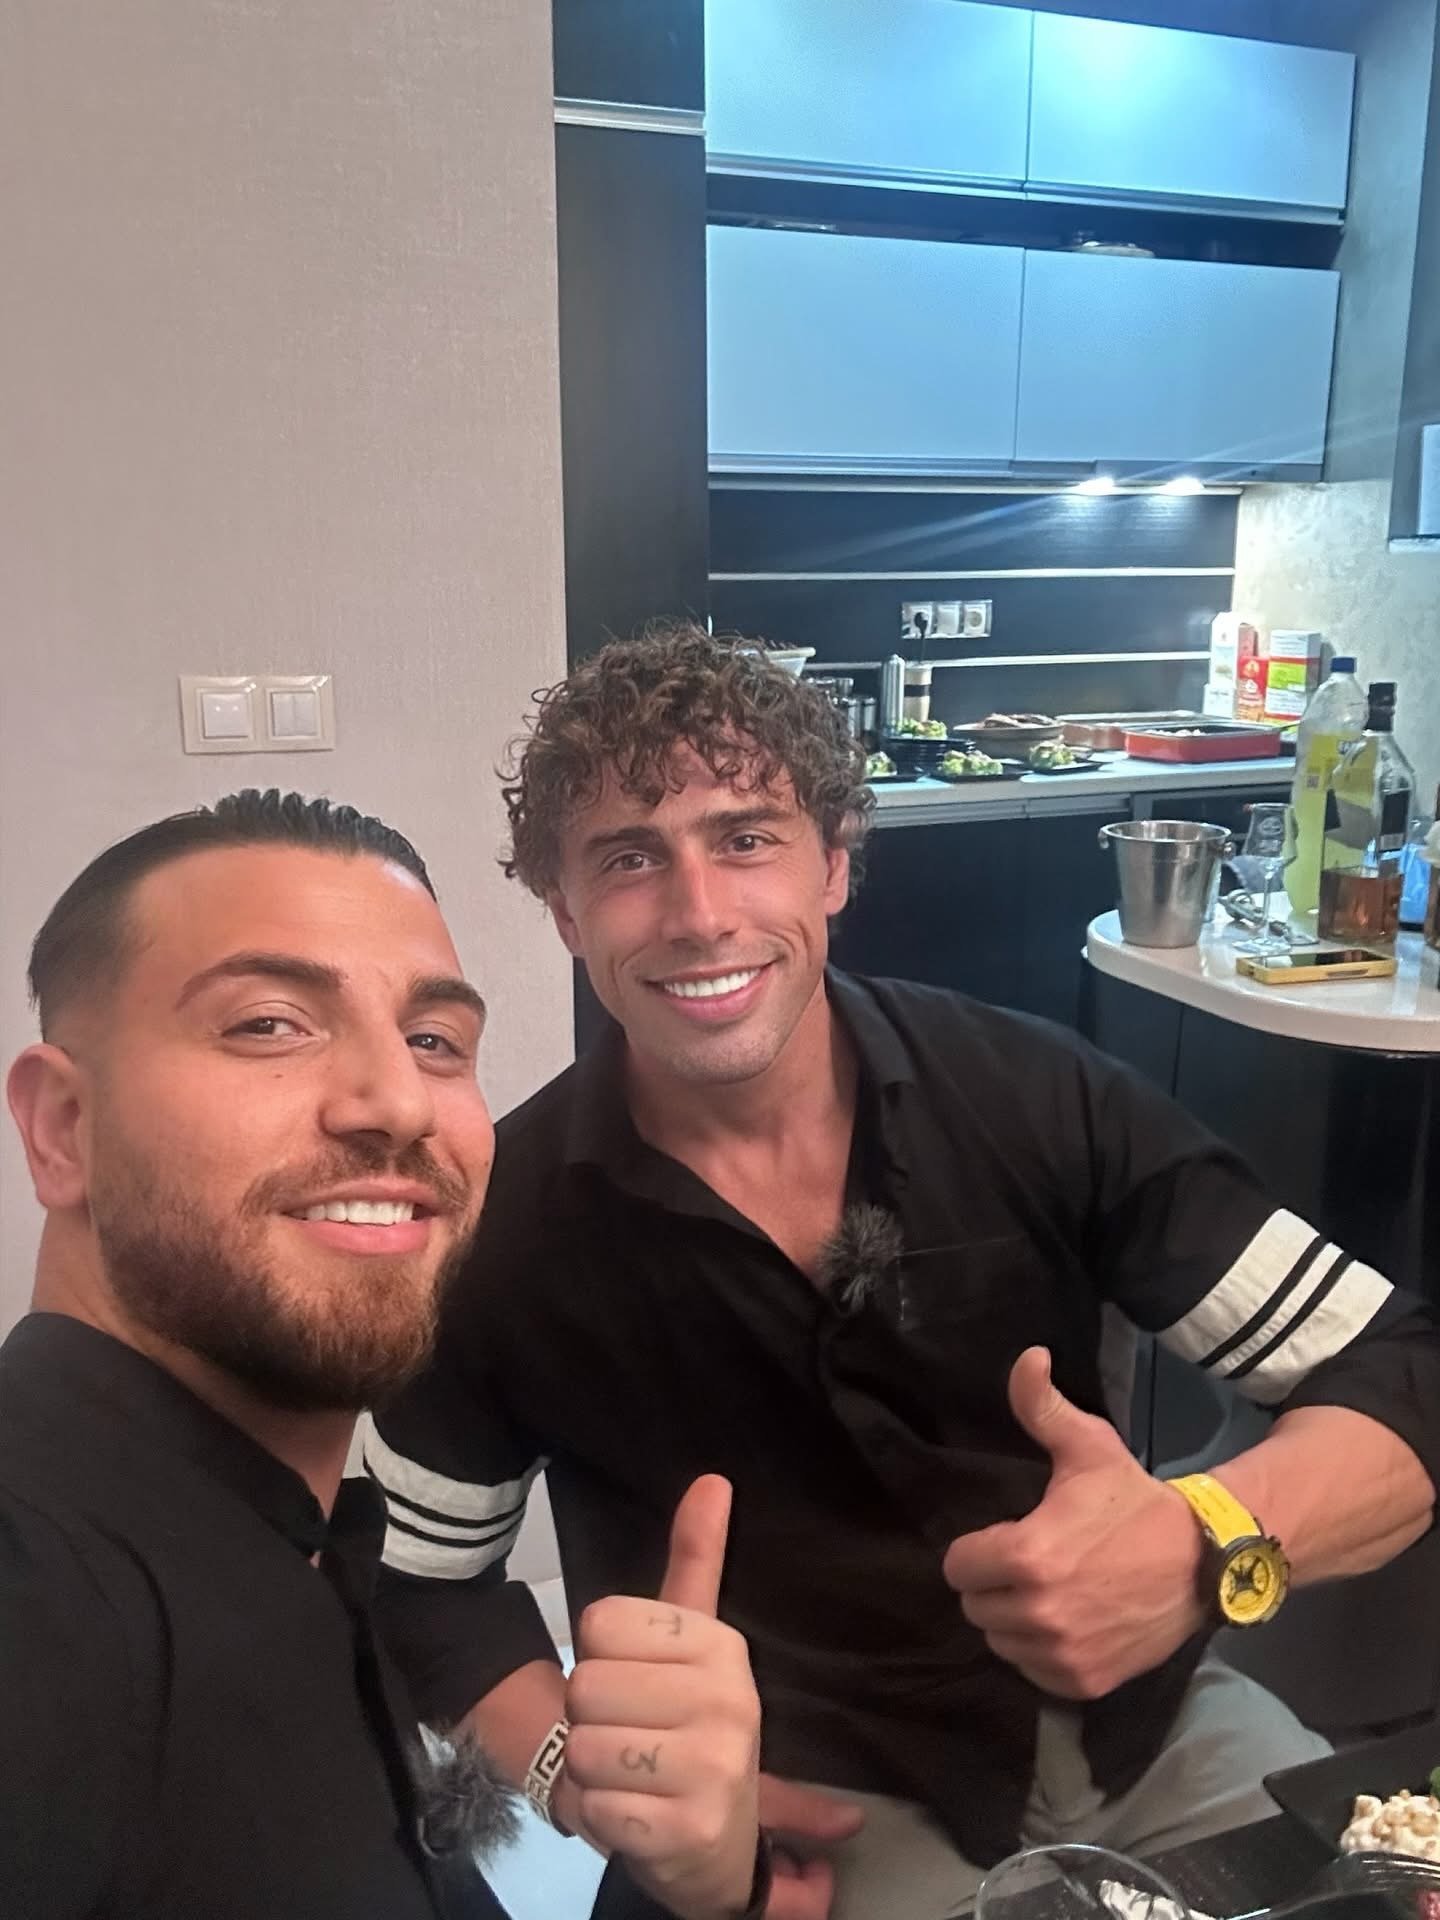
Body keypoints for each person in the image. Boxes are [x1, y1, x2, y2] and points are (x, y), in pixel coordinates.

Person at [366, 627, 1440, 1919]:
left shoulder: (1037, 1096)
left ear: (833, 864)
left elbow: (1405, 1378)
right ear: (565, 911)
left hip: (1151, 1736)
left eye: (746, 838)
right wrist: (592, 1783)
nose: (699, 914)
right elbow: (417, 1587)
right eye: (631, 858)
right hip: (806, 1817)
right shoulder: (500, 1228)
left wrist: (1204, 1540)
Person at [0, 788, 775, 1920]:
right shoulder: (37, 1597)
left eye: (434, 1041)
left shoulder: (300, 1554)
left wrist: (698, 1888)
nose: (398, 1102)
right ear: (62, 1127)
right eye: (269, 1024)